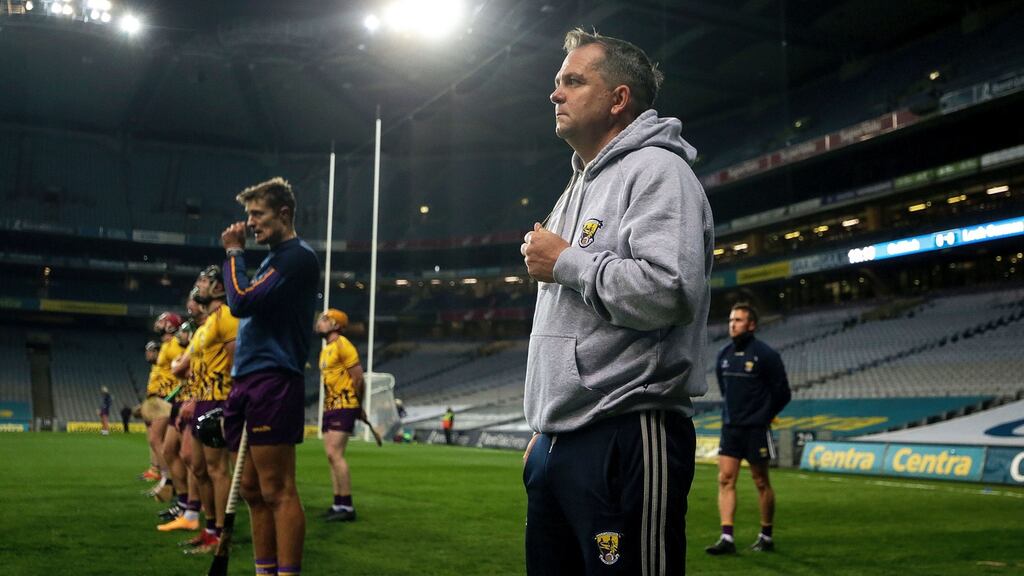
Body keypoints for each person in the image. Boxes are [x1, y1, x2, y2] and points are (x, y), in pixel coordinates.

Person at [519, 28, 713, 575]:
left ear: (618, 98)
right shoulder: (573, 188)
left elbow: (669, 289)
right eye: (558, 83)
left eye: (573, 81)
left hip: (627, 431)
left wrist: (566, 261)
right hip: (560, 441)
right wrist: (544, 427)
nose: (556, 94)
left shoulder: (659, 171)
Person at [221, 177, 319, 576]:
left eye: (257, 214)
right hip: (247, 378)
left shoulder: (296, 257)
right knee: (249, 490)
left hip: (274, 380)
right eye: (248, 215)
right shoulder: (273, 258)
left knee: (278, 490)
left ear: (283, 213)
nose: (249, 223)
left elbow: (241, 302)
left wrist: (233, 252)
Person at [706, 303, 791, 556]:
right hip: (731, 427)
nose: (733, 324)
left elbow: (783, 393)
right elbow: (725, 390)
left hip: (756, 429)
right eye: (731, 319)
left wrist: (763, 416)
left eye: (739, 320)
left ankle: (766, 535)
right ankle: (726, 537)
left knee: (761, 481)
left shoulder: (766, 355)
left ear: (751, 325)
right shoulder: (723, 354)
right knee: (725, 479)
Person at [316, 309, 364, 522]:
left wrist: (357, 405)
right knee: (331, 456)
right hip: (331, 406)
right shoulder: (326, 349)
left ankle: (347, 507)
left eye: (325, 319)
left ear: (336, 324)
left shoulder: (344, 345)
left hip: (343, 405)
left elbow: (358, 378)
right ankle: (338, 504)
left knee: (335, 455)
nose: (320, 322)